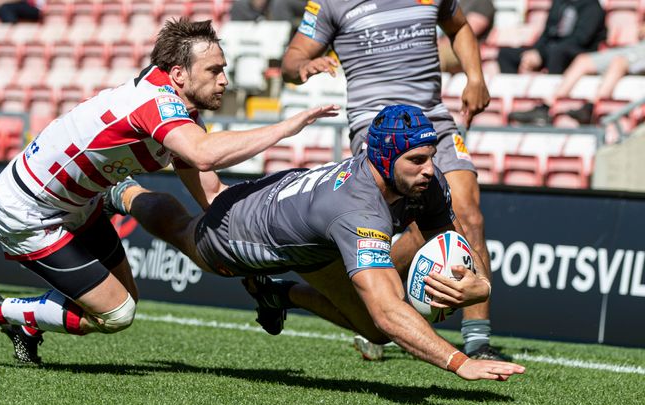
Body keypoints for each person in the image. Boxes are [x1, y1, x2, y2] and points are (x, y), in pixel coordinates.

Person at [0, 18, 338, 364]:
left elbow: (212, 196)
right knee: (117, 313)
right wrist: (285, 127)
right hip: (28, 209)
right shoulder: (156, 103)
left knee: (126, 299)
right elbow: (203, 155)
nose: (224, 80)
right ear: (178, 74)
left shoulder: (181, 111)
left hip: (77, 202)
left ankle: (29, 323)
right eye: (214, 70)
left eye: (223, 69)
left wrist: (264, 246)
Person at [104, 105, 526, 381]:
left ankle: (279, 294)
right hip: (242, 233)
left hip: (308, 232)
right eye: (417, 160)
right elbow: (388, 311)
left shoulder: (419, 183)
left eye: (431, 156)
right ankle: (126, 193)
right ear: (383, 159)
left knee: (374, 335)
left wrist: (480, 286)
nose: (431, 169)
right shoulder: (358, 212)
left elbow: (452, 241)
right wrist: (460, 362)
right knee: (186, 230)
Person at [279, 0, 502, 360]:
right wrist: (303, 65)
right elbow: (290, 62)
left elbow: (458, 27)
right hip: (378, 131)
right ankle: (376, 310)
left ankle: (478, 342)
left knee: (469, 215)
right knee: (415, 233)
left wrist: (475, 76)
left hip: (433, 125)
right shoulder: (330, 4)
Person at [509, 23, 645, 126]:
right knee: (583, 61)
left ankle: (592, 107)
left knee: (618, 62)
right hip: (635, 48)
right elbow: (640, 31)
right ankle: (546, 106)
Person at [497, 0, 606, 75]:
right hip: (550, 49)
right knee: (506, 54)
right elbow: (547, 32)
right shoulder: (560, 3)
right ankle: (514, 94)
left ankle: (549, 103)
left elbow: (580, 40)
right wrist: (536, 51)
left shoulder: (593, 7)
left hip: (576, 53)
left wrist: (542, 53)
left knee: (557, 52)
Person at [439, 0, 495, 73]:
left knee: (434, 56)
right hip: (447, 46)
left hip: (466, 50)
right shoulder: (459, 2)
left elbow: (465, 33)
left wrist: (440, 43)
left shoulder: (483, 3)